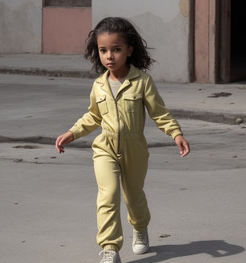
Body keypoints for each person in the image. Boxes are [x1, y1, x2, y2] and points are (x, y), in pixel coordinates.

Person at [55, 17, 190, 263]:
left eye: (116, 49)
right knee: (108, 195)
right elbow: (93, 116)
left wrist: (176, 133)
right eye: (103, 50)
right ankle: (110, 248)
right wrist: (72, 132)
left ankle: (139, 228)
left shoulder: (142, 82)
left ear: (129, 50)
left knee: (134, 196)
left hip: (134, 149)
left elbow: (159, 112)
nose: (109, 56)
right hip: (104, 148)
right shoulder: (99, 85)